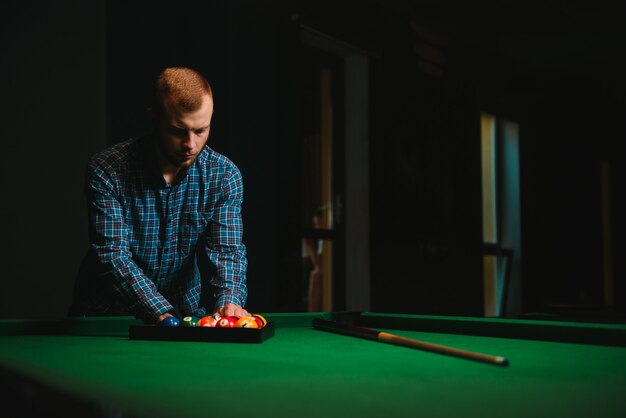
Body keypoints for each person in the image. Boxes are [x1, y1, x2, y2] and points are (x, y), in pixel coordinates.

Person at [68, 67, 249, 324]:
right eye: (178, 131)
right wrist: (161, 314)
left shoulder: (224, 175)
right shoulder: (106, 169)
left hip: (184, 314)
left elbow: (226, 251)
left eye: (201, 131)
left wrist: (229, 302)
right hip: (107, 319)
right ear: (154, 119)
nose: (190, 144)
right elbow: (111, 253)